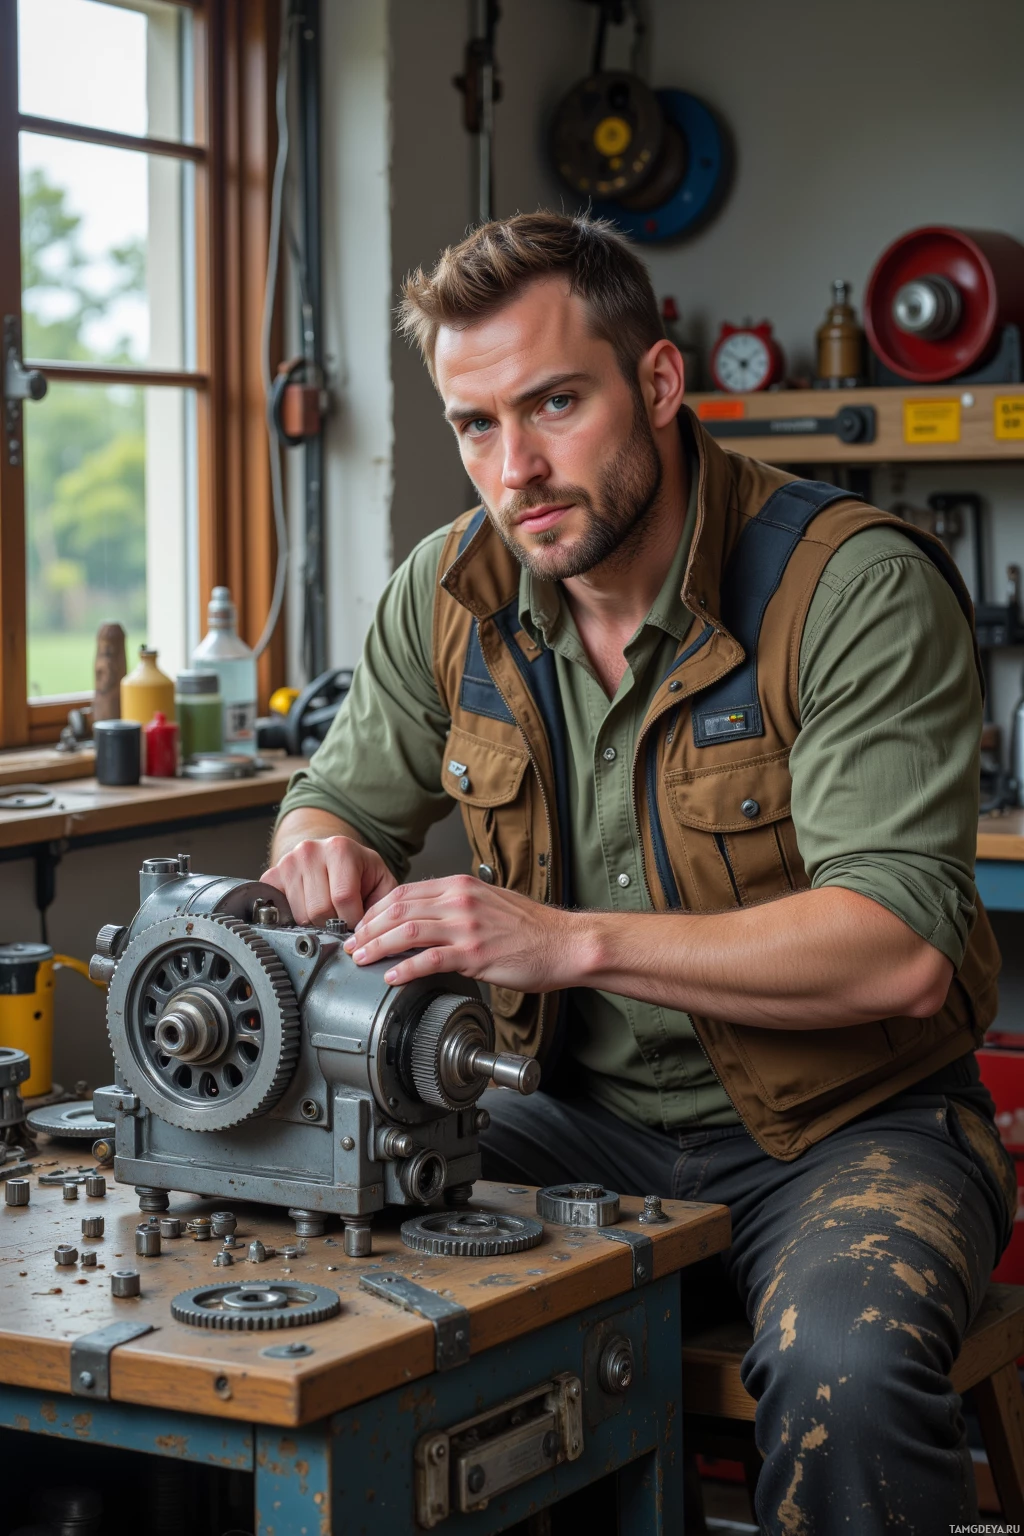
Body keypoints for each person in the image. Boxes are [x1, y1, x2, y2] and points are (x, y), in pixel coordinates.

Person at [264, 212, 1015, 1532]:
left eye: (556, 403)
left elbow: (900, 947)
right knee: (310, 1288)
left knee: (847, 1373)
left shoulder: (845, 588)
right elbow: (331, 799)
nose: (518, 467)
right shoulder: (450, 594)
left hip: (852, 1129)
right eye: (476, 424)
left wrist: (565, 940)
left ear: (659, 387)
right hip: (562, 1116)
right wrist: (317, 851)